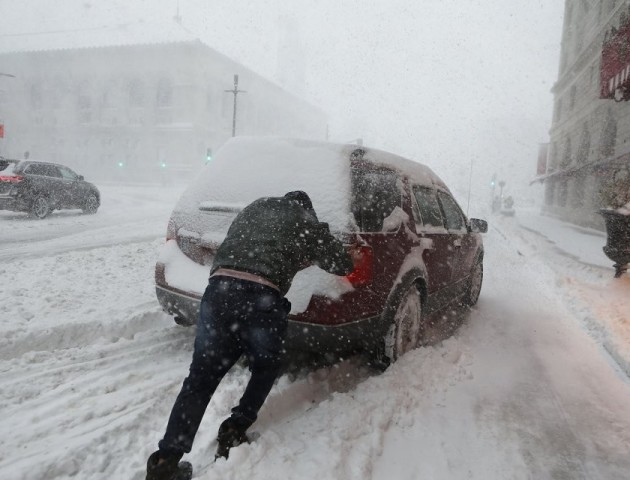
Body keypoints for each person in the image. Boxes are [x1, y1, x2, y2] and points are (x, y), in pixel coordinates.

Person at [146, 191, 354, 480]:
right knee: (265, 366)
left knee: (201, 377)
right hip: (260, 297)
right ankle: (235, 428)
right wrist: (321, 236)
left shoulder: (254, 208)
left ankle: (165, 461)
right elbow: (343, 265)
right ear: (307, 209)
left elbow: (244, 247)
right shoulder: (304, 220)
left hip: (218, 291)